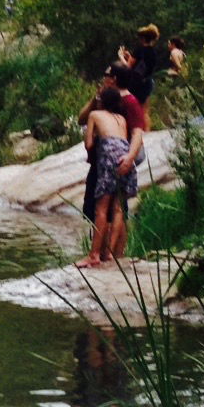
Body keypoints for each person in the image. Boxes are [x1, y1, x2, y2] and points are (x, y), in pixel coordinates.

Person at [79, 66, 146, 261]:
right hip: (115, 159)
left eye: (106, 75)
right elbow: (80, 118)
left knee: (103, 208)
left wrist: (130, 158)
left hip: (110, 161)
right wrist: (95, 98)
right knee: (114, 209)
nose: (103, 78)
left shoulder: (130, 103)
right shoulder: (112, 107)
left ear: (113, 79)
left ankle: (101, 254)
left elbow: (138, 134)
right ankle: (108, 254)